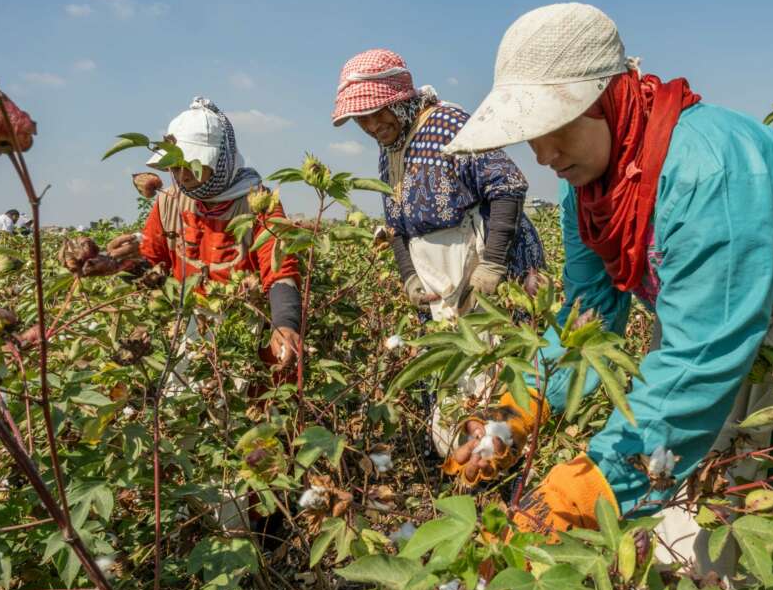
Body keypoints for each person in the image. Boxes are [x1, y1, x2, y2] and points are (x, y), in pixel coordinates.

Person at [440, 3, 773, 568]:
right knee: (707, 529)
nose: (543, 155)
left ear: (606, 99)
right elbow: (589, 317)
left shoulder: (708, 169)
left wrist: (580, 498)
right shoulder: (587, 190)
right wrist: (513, 415)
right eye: (529, 135)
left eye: (555, 126)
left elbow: (703, 355)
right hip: (725, 338)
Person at [332, 49, 545, 322]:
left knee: (504, 354)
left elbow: (507, 184)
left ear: (399, 100)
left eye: (379, 112)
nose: (373, 125)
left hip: (488, 268)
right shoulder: (390, 150)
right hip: (443, 281)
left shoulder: (447, 124)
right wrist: (410, 276)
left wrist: (492, 264)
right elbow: (396, 225)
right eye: (362, 118)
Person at [105, 97, 302, 371]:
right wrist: (115, 262)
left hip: (243, 328)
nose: (182, 175)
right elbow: (153, 262)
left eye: (192, 164)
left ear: (220, 159)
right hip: (185, 328)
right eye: (174, 166)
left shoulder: (258, 203)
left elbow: (280, 271)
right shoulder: (168, 201)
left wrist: (285, 324)